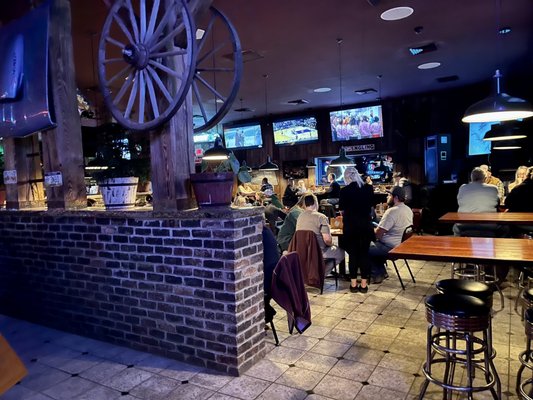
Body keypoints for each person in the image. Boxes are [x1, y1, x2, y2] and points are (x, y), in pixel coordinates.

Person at [338, 167, 374, 293]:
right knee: (364, 254)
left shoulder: (344, 191)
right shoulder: (369, 188)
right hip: (366, 226)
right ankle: (364, 285)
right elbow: (370, 208)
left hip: (350, 227)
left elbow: (342, 211)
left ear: (346, 177)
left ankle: (353, 284)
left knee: (353, 255)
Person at [369, 186, 413, 283]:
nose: (387, 197)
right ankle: (382, 272)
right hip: (401, 246)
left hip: (391, 248)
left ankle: (376, 274)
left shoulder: (392, 211)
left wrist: (367, 230)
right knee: (373, 245)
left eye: (389, 195)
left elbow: (377, 234)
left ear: (395, 197)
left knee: (363, 246)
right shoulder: (408, 209)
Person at [295, 194, 345, 266]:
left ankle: (316, 273)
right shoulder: (321, 217)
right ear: (316, 203)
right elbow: (327, 240)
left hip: (302, 252)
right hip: (319, 252)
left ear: (305, 204)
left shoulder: (300, 216)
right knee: (340, 253)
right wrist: (332, 245)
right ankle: (322, 274)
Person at [452, 167, 502, 237]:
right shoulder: (493, 188)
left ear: (471, 178)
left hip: (464, 225)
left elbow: (459, 202)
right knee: (505, 228)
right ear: (485, 178)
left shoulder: (462, 188)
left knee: (455, 228)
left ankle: (459, 246)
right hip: (489, 226)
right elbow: (498, 203)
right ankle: (497, 246)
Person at [505, 166, 533, 234]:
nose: (521, 176)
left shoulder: (518, 188)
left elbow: (508, 203)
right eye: (519, 174)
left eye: (523, 174)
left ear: (527, 175)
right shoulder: (514, 186)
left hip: (521, 221)